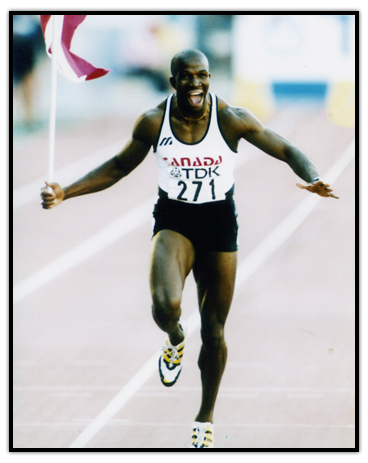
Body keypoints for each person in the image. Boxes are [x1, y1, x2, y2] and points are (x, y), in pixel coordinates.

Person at [41, 49, 338, 449]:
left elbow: (284, 147)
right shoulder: (153, 122)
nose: (196, 84)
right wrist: (65, 192)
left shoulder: (231, 119)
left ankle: (205, 416)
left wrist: (314, 176)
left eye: (203, 76)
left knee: (214, 332)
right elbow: (116, 167)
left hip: (218, 224)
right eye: (187, 77)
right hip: (174, 220)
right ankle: (175, 338)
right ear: (173, 81)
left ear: (210, 79)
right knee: (165, 306)